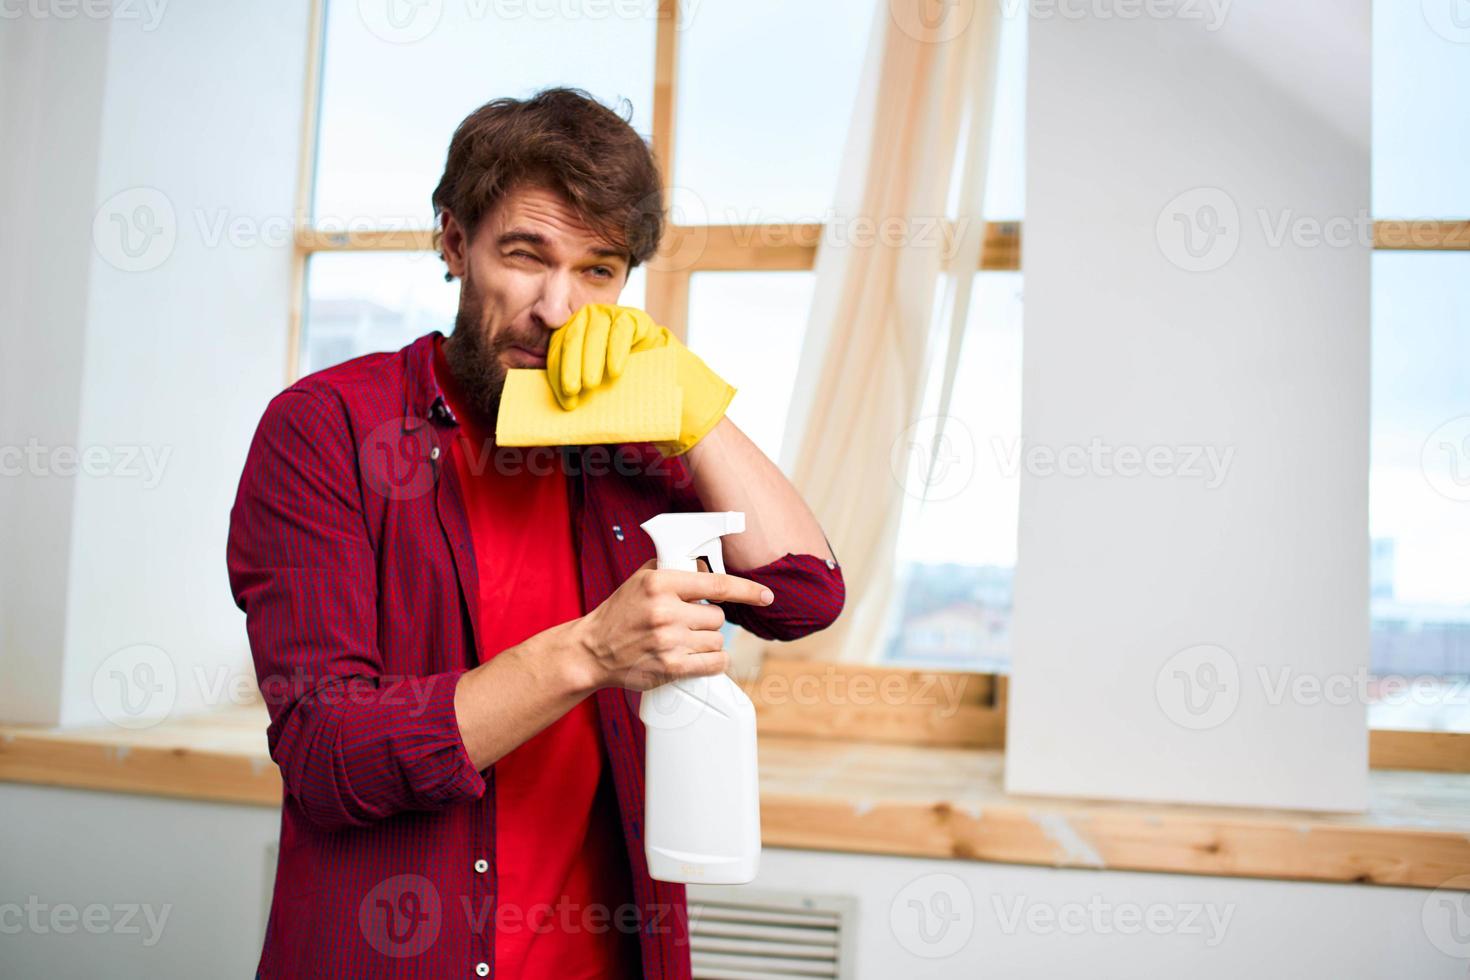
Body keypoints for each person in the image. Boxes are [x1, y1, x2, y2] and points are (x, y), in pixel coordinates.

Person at [227, 87, 844, 979]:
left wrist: (694, 408)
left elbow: (802, 595)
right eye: (527, 256)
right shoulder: (327, 430)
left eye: (598, 271)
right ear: (453, 243)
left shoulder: (625, 433)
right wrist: (592, 650)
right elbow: (328, 755)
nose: (558, 309)